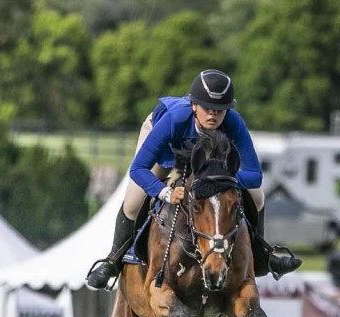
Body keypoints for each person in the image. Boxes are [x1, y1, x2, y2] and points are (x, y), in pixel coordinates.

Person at [86, 69, 301, 289]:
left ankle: (262, 256)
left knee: (258, 197)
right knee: (133, 202)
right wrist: (165, 192)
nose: (213, 115)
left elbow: (254, 176)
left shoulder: (233, 123)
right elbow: (138, 168)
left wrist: (221, 180)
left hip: (209, 163)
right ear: (194, 105)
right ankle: (113, 261)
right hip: (168, 151)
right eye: (207, 108)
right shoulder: (175, 119)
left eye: (220, 110)